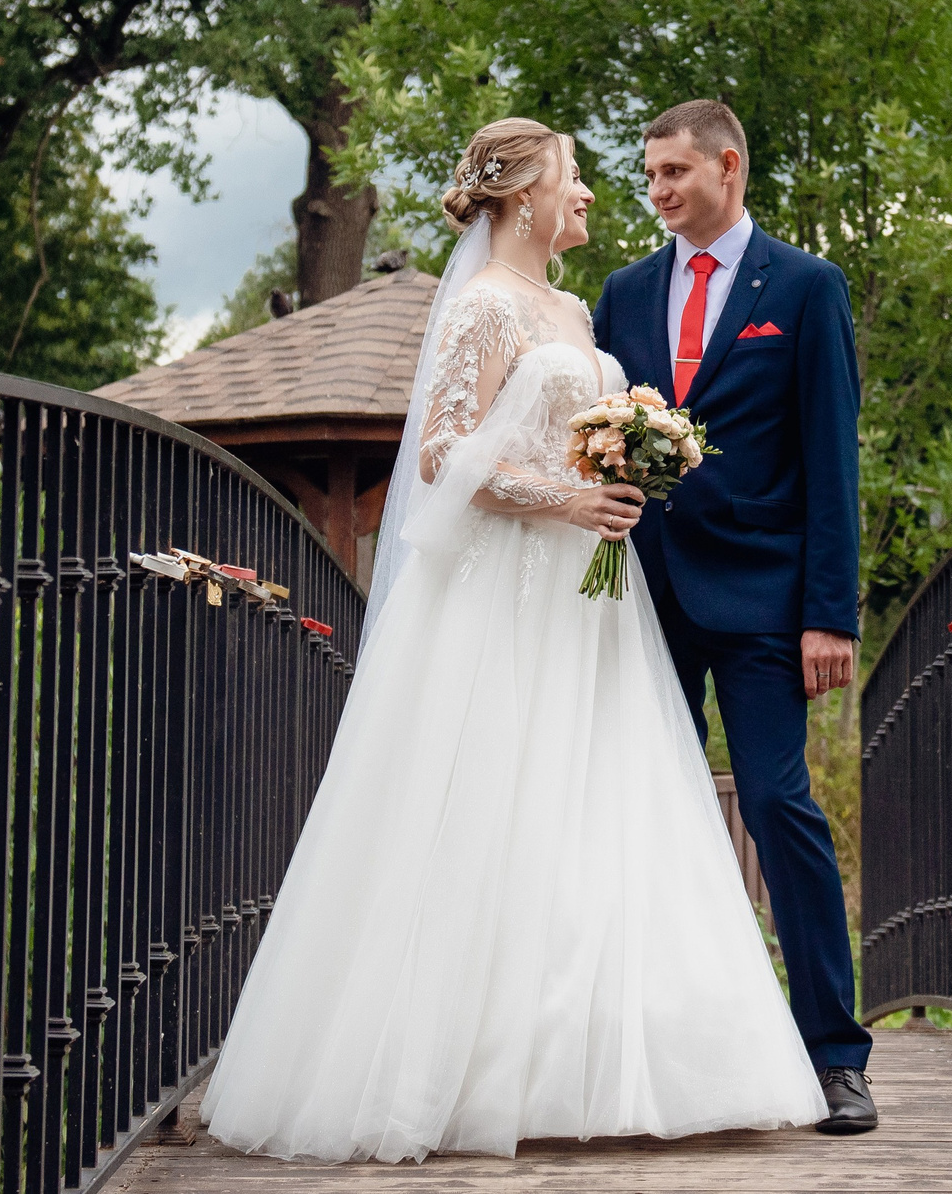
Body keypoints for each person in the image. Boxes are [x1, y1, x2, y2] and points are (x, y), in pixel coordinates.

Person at [199, 117, 826, 1163]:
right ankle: (472, 1066)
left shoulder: (574, 308)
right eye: (574, 178)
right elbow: (441, 456)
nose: (589, 195)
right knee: (497, 799)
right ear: (526, 193)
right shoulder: (483, 303)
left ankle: (609, 1057)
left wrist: (625, 470)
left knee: (599, 804)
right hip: (509, 593)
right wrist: (567, 499)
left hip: (590, 603)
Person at [591, 98, 879, 1134]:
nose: (658, 190)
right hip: (641, 596)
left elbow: (831, 457)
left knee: (775, 802)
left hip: (763, 598)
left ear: (728, 166)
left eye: (674, 171)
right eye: (649, 175)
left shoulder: (804, 286)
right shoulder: (623, 293)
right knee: (636, 808)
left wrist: (829, 614)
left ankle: (835, 1054)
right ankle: (655, 1050)